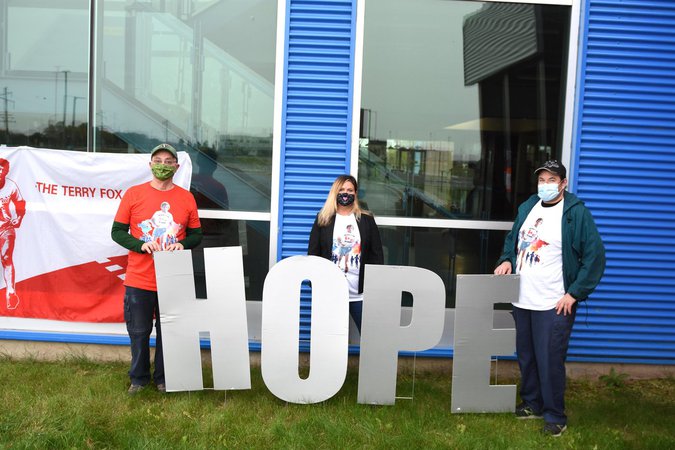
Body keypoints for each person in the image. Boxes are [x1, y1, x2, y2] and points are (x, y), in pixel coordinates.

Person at [494, 160, 605, 436]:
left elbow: (595, 256)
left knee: (550, 360)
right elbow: (513, 240)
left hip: (553, 303)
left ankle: (555, 416)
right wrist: (506, 260)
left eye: (552, 180)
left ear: (563, 183)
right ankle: (532, 403)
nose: (545, 185)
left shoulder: (575, 213)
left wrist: (574, 293)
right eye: (542, 180)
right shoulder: (529, 206)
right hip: (522, 299)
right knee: (527, 356)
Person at [111, 143, 202, 395]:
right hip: (139, 278)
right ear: (150, 164)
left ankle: (164, 379)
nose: (163, 165)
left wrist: (182, 244)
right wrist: (140, 245)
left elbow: (196, 235)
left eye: (168, 161)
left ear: (177, 166)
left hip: (172, 277)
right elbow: (117, 231)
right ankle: (139, 379)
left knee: (169, 332)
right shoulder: (134, 194)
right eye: (158, 161)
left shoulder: (186, 198)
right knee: (139, 332)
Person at [308, 174, 384, 333]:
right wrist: (316, 284)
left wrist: (375, 286)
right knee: (329, 337)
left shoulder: (367, 220)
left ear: (355, 193)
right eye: (342, 189)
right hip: (330, 291)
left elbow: (376, 255)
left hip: (359, 294)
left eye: (350, 190)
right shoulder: (323, 219)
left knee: (371, 335)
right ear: (335, 192)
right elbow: (313, 255)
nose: (345, 193)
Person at [0, 158, 26, 310]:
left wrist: (19, 218)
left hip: (6, 227)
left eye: (1, 170)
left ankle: (10, 292)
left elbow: (20, 202)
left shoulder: (11, 186)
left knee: (6, 257)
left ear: (6, 172)